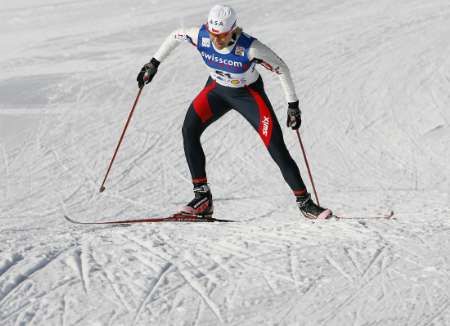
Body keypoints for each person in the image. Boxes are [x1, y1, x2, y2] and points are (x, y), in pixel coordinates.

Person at [137, 5, 331, 219]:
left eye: (222, 36)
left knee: (276, 146)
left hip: (248, 96)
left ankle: (305, 204)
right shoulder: (201, 36)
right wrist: (153, 63)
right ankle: (202, 198)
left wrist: (292, 105)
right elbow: (175, 35)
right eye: (213, 35)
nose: (216, 40)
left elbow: (281, 68)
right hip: (217, 91)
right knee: (189, 130)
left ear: (233, 30)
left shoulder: (250, 48)